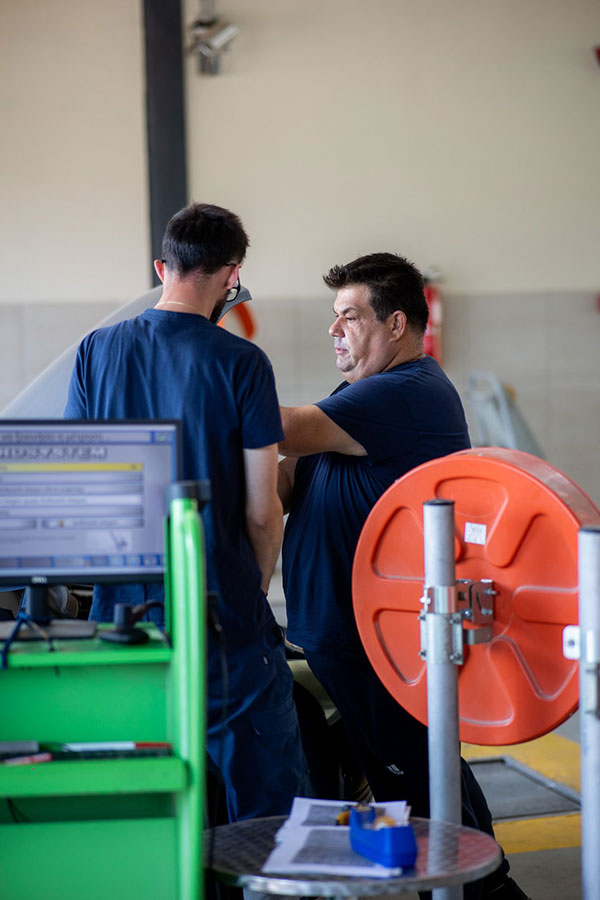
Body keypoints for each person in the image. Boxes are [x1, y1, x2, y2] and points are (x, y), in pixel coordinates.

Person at [278, 253, 530, 900]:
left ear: (395, 324)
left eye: (350, 316)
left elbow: (286, 429)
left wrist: (208, 386)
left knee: (416, 793)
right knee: (424, 778)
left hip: (378, 640)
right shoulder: (359, 395)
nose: (334, 329)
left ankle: (483, 891)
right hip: (352, 637)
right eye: (333, 316)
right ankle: (482, 884)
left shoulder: (407, 390)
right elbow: (291, 479)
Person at [64, 202, 306, 824]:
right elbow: (263, 510)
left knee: (139, 798)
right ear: (232, 274)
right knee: (266, 811)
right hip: (222, 612)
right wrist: (252, 590)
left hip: (123, 617)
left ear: (161, 267)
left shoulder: (96, 351)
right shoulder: (243, 363)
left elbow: (81, 489)